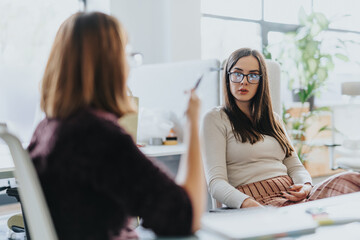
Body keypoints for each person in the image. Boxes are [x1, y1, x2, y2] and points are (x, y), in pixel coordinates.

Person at [28, 12, 206, 240]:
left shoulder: (46, 129)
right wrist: (192, 122)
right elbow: (186, 218)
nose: (130, 65)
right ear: (111, 64)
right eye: (127, 54)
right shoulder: (98, 136)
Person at [202, 47, 360, 209]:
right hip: (257, 202)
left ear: (261, 81)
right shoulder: (215, 118)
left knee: (352, 180)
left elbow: (295, 166)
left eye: (253, 75)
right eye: (237, 74)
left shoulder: (273, 119)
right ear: (227, 78)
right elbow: (216, 183)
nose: (244, 81)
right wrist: (248, 204)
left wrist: (305, 186)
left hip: (293, 195)